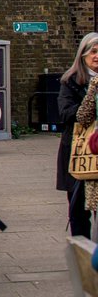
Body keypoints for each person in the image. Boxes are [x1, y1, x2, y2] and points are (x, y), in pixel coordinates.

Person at [60, 32, 98, 237]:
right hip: (80, 152)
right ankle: (82, 254)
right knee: (79, 209)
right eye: (93, 51)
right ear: (83, 55)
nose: (97, 56)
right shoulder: (71, 81)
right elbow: (66, 114)